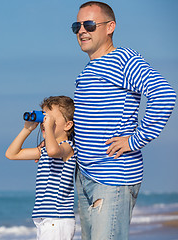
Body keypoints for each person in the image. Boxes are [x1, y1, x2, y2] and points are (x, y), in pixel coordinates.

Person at [72, 1, 177, 239]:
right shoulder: (88, 70)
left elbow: (164, 94)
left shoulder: (123, 60)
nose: (81, 31)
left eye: (89, 24)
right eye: (76, 25)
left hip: (112, 176)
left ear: (110, 27)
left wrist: (134, 140)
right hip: (86, 174)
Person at [5, 96, 76, 240]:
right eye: (44, 118)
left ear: (68, 125)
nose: (45, 123)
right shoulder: (43, 150)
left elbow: (53, 151)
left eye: (51, 119)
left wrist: (48, 128)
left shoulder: (68, 147)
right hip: (44, 219)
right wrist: (27, 129)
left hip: (57, 219)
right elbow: (12, 154)